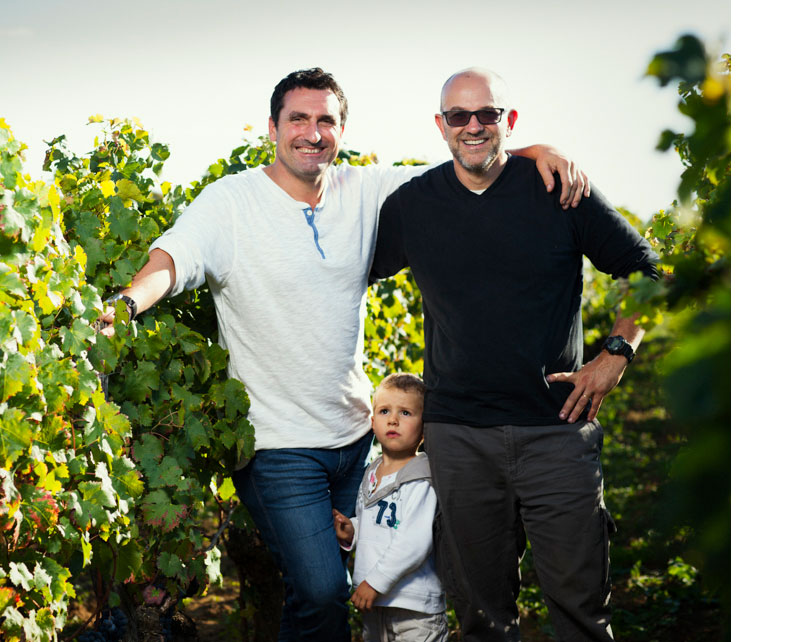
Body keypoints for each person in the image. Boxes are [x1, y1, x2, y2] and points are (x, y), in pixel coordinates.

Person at [98, 68, 589, 641]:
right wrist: (128, 304)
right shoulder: (230, 203)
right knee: (322, 593)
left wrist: (536, 149)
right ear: (273, 129)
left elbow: (469, 163)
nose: (313, 132)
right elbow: (172, 261)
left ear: (342, 129)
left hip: (358, 443)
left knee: (361, 591)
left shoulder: (368, 189)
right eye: (298, 119)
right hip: (278, 448)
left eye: (326, 119)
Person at [369, 68, 659, 642]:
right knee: (481, 618)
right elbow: (342, 275)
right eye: (460, 116)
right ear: (441, 125)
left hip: (557, 432)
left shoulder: (559, 189)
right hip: (459, 438)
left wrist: (616, 354)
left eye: (488, 115)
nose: (473, 126)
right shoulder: (412, 206)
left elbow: (647, 272)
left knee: (580, 612)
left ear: (511, 120)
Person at [332, 373, 447, 642]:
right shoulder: (371, 473)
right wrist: (354, 531)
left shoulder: (420, 477)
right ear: (373, 422)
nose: (393, 419)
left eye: (405, 412)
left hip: (414, 607)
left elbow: (414, 542)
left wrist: (374, 583)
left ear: (424, 426)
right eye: (384, 411)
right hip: (376, 604)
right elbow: (380, 524)